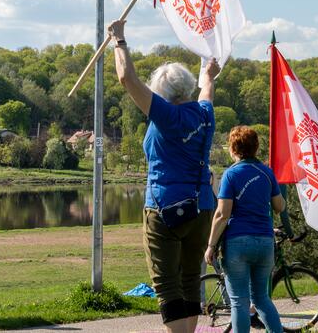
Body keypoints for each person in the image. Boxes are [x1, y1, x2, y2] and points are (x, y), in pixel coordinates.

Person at [108, 19, 218, 333]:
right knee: (189, 279)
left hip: (164, 208)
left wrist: (120, 41)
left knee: (167, 284)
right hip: (201, 207)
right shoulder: (204, 114)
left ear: (163, 93)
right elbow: (207, 89)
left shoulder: (166, 115)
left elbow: (126, 79)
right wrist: (208, 74)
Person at [204, 126, 285, 333]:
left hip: (238, 243)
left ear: (233, 149)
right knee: (261, 299)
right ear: (256, 147)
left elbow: (222, 214)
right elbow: (279, 207)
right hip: (265, 242)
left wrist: (211, 245)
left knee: (239, 301)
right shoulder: (267, 173)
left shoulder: (231, 174)